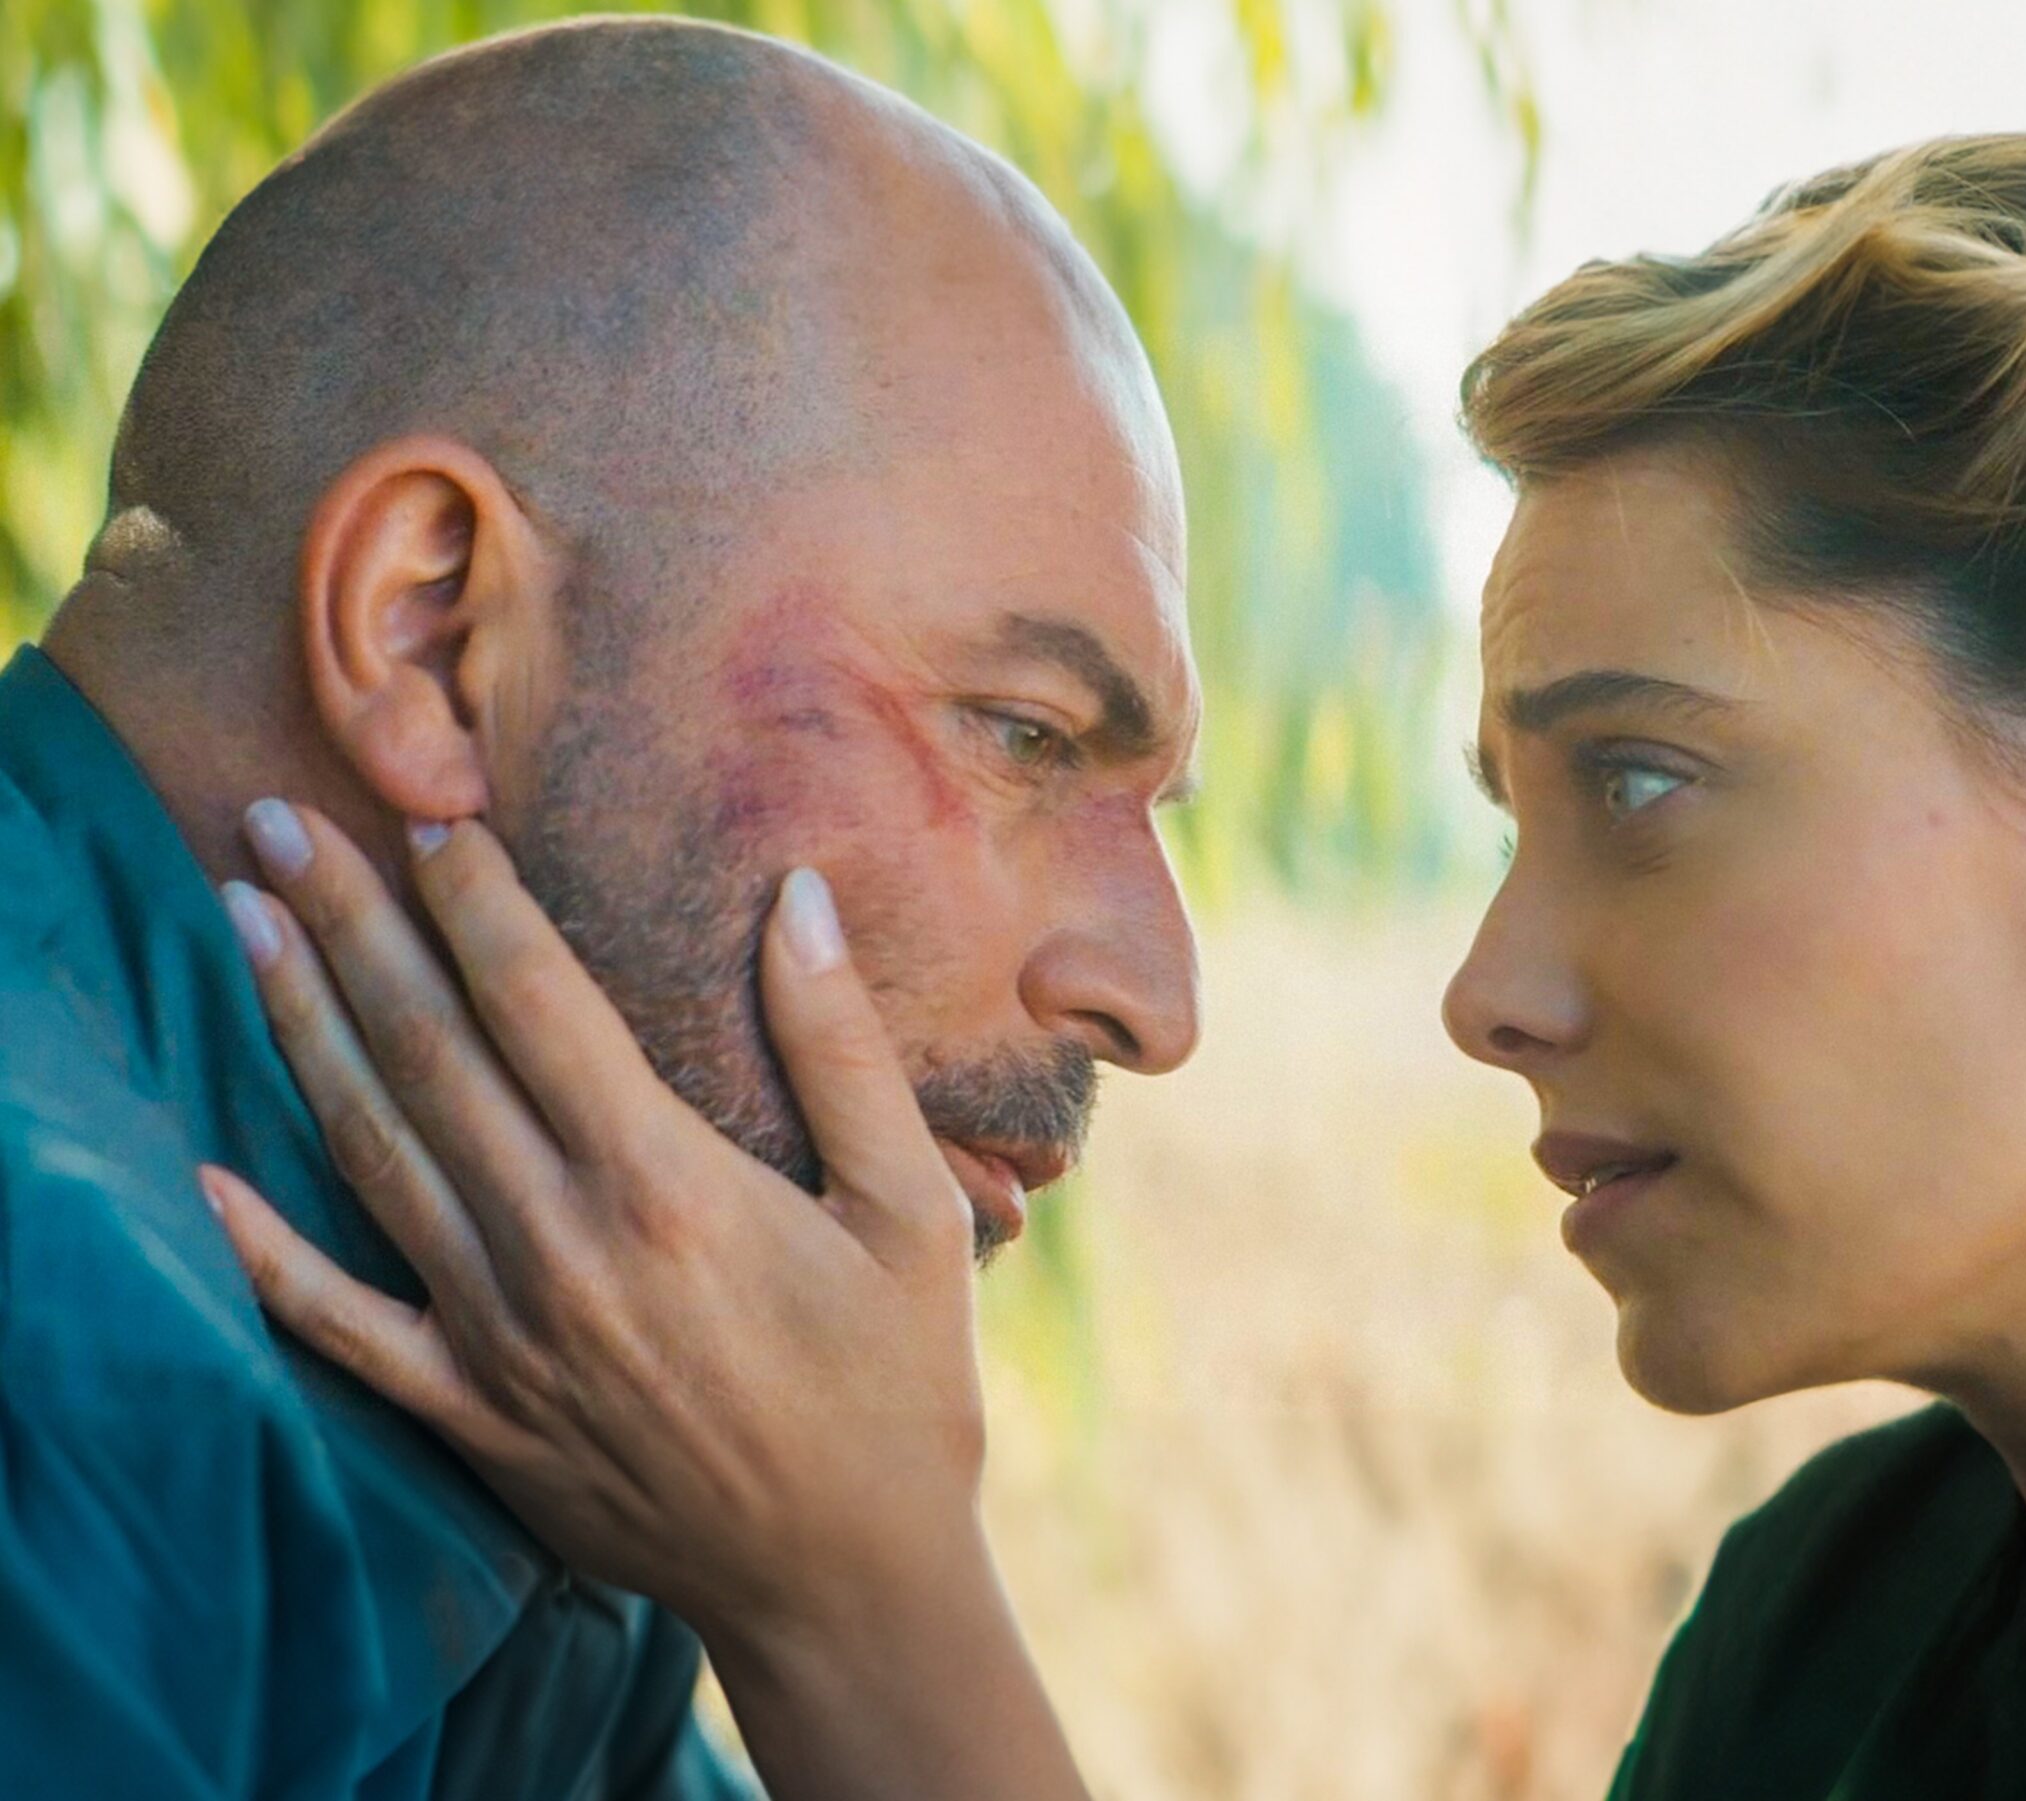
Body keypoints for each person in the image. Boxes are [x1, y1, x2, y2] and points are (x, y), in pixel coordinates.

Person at [208, 135, 2026, 1799]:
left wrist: (855, 1609)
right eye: (1508, 818)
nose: (1486, 991)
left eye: (1639, 780)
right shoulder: (1834, 1626)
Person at [2, 15, 1199, 1797]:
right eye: (1022, 733)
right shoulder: (67, 1381)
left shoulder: (554, 1386)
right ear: (435, 630)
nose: (1160, 999)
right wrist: (865, 1621)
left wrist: (857, 1599)